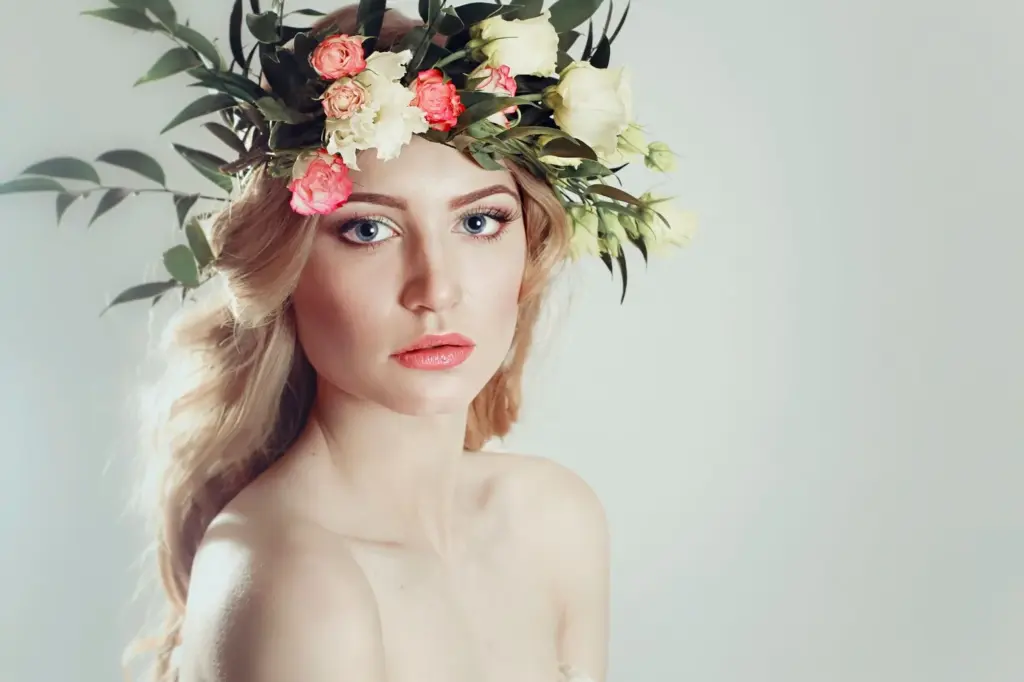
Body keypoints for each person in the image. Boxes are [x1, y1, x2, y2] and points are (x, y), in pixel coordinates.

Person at [3, 2, 695, 681]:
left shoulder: (552, 519)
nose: (437, 289)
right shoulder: (297, 584)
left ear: (529, 245)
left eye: (479, 222)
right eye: (369, 229)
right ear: (285, 266)